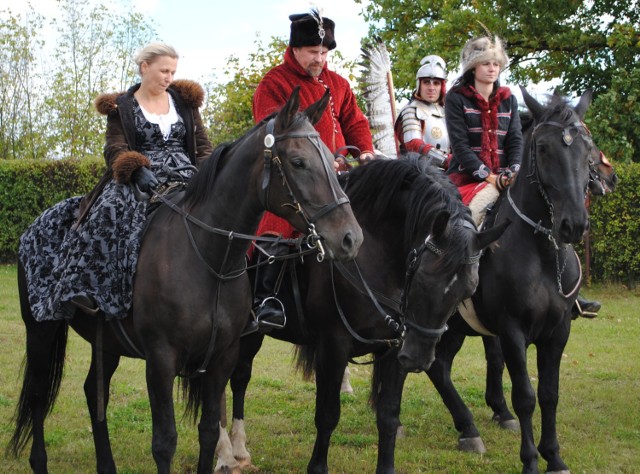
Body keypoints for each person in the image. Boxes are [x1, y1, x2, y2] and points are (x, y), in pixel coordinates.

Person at [19, 42, 213, 321]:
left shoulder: (184, 102)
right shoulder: (121, 107)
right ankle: (86, 288)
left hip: (187, 175)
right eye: (163, 71)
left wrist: (207, 174)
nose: (169, 77)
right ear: (144, 67)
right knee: (108, 210)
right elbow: (114, 149)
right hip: (140, 178)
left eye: (173, 71)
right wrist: (136, 169)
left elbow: (203, 145)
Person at [244, 9, 375, 335]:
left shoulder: (338, 83)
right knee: (276, 220)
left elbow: (355, 121)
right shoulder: (274, 83)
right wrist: (320, 162)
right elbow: (271, 132)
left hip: (342, 172)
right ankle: (265, 297)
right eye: (313, 52)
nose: (320, 58)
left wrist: (367, 151)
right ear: (296, 49)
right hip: (291, 175)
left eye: (325, 52)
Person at [445, 35, 522, 226]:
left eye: (495, 64)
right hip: (466, 179)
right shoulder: (456, 98)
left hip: (506, 178)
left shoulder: (508, 99)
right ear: (473, 67)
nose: (492, 68)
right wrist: (488, 176)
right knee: (464, 226)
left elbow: (515, 140)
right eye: (486, 63)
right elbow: (460, 147)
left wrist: (513, 172)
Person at [395, 54, 450, 167]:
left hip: (449, 170)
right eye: (426, 82)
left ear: (442, 86)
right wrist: (445, 160)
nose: (431, 88)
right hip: (418, 171)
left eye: (436, 83)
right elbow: (414, 145)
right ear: (419, 84)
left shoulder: (448, 113)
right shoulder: (412, 110)